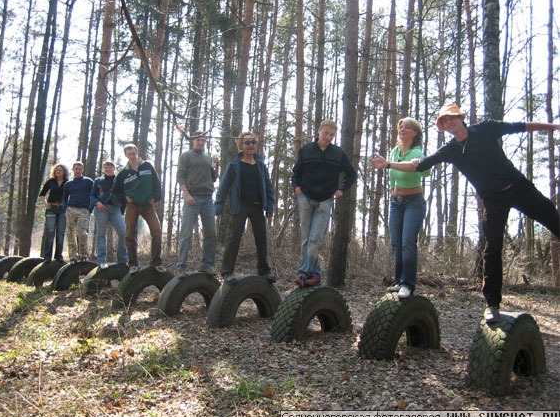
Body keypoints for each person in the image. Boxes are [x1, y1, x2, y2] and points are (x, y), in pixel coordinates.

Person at [371, 103, 560, 322]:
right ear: (443, 127)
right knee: (492, 249)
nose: (449, 123)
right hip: (492, 200)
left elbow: (521, 126)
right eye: (444, 122)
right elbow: (421, 165)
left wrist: (553, 126)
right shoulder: (451, 149)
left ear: (461, 117)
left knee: (553, 220)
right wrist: (389, 165)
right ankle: (492, 304)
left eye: (452, 118)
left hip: (519, 187)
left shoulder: (486, 129)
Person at [291, 119, 357, 287]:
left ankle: (303, 272)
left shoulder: (338, 153)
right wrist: (296, 187)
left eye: (332, 135)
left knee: (315, 239)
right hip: (305, 197)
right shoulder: (306, 150)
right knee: (306, 239)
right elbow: (296, 172)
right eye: (326, 133)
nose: (328, 137)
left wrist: (341, 189)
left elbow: (351, 174)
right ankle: (316, 274)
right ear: (319, 131)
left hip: (325, 200)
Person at [215, 132, 276, 283]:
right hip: (240, 206)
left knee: (261, 239)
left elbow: (268, 186)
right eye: (247, 142)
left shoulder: (260, 164)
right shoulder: (234, 164)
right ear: (241, 145)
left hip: (258, 207)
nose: (250, 145)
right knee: (234, 238)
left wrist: (269, 206)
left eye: (253, 142)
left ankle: (264, 270)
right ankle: (227, 272)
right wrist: (218, 205)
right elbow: (223, 186)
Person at [383, 117, 431, 299]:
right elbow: (393, 174)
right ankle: (399, 280)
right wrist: (392, 190)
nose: (402, 129)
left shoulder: (417, 151)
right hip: (396, 203)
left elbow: (426, 172)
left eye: (407, 127)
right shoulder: (395, 151)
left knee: (407, 243)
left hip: (414, 202)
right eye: (400, 126)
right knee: (396, 243)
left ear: (415, 132)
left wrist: (419, 164)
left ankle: (408, 283)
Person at [113, 143, 164, 274]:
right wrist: (125, 198)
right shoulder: (123, 173)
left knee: (157, 231)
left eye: (133, 153)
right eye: (129, 154)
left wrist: (155, 197)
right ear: (126, 155)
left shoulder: (147, 166)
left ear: (137, 152)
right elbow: (116, 191)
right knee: (130, 235)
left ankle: (156, 262)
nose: (132, 156)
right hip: (132, 206)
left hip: (148, 205)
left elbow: (157, 184)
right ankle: (133, 264)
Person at [175, 132, 219, 276]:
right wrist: (187, 195)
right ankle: (181, 266)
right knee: (186, 233)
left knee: (211, 233)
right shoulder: (186, 156)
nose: (201, 142)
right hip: (192, 197)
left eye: (203, 140)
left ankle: (207, 264)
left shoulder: (207, 157)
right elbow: (180, 176)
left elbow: (212, 178)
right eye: (199, 140)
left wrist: (216, 167)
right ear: (193, 140)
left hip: (207, 198)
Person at [90, 160, 128, 269]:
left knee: (123, 233)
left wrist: (121, 211)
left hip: (116, 209)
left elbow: (124, 197)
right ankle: (101, 260)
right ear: (104, 169)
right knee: (101, 233)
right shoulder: (98, 181)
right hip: (102, 208)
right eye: (106, 167)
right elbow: (92, 196)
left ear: (114, 168)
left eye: (110, 167)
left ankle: (122, 259)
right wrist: (97, 203)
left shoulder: (119, 181)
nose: (108, 169)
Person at [62, 162, 94, 262]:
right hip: (70, 210)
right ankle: (72, 256)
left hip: (84, 210)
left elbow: (93, 195)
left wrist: (90, 209)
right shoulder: (68, 184)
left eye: (80, 169)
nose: (78, 170)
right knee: (70, 233)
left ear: (82, 170)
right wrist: (65, 207)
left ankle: (83, 255)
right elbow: (64, 198)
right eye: (76, 168)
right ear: (73, 169)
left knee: (82, 233)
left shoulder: (88, 181)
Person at [39, 164, 69, 263]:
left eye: (60, 170)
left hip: (63, 210)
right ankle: (47, 257)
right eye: (56, 170)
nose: (58, 171)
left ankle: (58, 256)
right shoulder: (51, 182)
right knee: (50, 233)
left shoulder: (68, 183)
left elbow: (71, 195)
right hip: (51, 208)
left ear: (64, 172)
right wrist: (46, 203)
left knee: (60, 233)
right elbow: (42, 194)